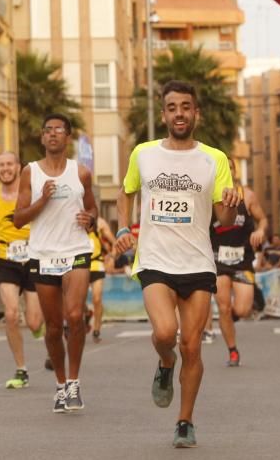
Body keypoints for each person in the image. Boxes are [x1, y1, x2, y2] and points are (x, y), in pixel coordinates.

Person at [114, 80, 239, 448]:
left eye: (186, 106)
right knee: (167, 333)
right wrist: (123, 226)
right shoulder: (144, 154)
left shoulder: (214, 159)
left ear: (195, 113)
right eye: (173, 107)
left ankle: (185, 421)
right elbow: (126, 191)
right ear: (164, 113)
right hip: (154, 259)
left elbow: (225, 219)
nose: (179, 113)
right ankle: (165, 362)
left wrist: (231, 201)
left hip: (197, 262)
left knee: (194, 347)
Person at [14, 114, 96, 413]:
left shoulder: (81, 173)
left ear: (68, 137)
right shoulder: (30, 172)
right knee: (52, 326)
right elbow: (19, 217)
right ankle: (60, 385)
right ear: (42, 137)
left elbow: (92, 208)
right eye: (47, 130)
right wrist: (42, 201)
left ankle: (74, 382)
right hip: (43, 254)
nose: (52, 134)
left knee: (75, 316)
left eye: (58, 130)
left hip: (75, 250)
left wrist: (92, 219)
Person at [0, 151, 44, 389]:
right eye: (1, 165)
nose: (5, 168)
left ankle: (40, 327)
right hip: (6, 258)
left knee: (35, 322)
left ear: (19, 167)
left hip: (33, 257)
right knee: (9, 314)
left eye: (9, 164)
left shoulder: (30, 191)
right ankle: (21, 369)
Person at [209, 159, 268, 365]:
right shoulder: (209, 198)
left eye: (229, 167)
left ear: (234, 171)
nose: (226, 171)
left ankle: (228, 321)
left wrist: (260, 230)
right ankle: (232, 351)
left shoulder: (247, 195)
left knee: (242, 309)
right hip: (218, 261)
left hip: (243, 259)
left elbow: (263, 219)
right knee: (223, 307)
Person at [87, 217, 116, 342]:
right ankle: (87, 313)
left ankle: (96, 329)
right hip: (78, 265)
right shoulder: (72, 217)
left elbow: (114, 242)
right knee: (77, 299)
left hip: (96, 263)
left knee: (97, 298)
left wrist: (112, 257)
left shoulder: (100, 222)